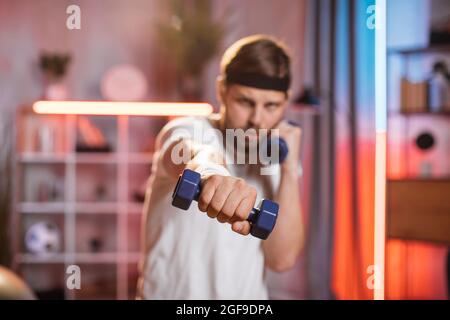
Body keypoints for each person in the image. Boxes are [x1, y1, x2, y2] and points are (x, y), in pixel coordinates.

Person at [137, 34, 304, 299]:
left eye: (271, 105)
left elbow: (282, 260)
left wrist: (289, 169)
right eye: (245, 102)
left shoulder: (275, 158)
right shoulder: (190, 129)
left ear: (285, 101)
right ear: (222, 90)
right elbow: (189, 152)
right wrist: (210, 172)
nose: (257, 120)